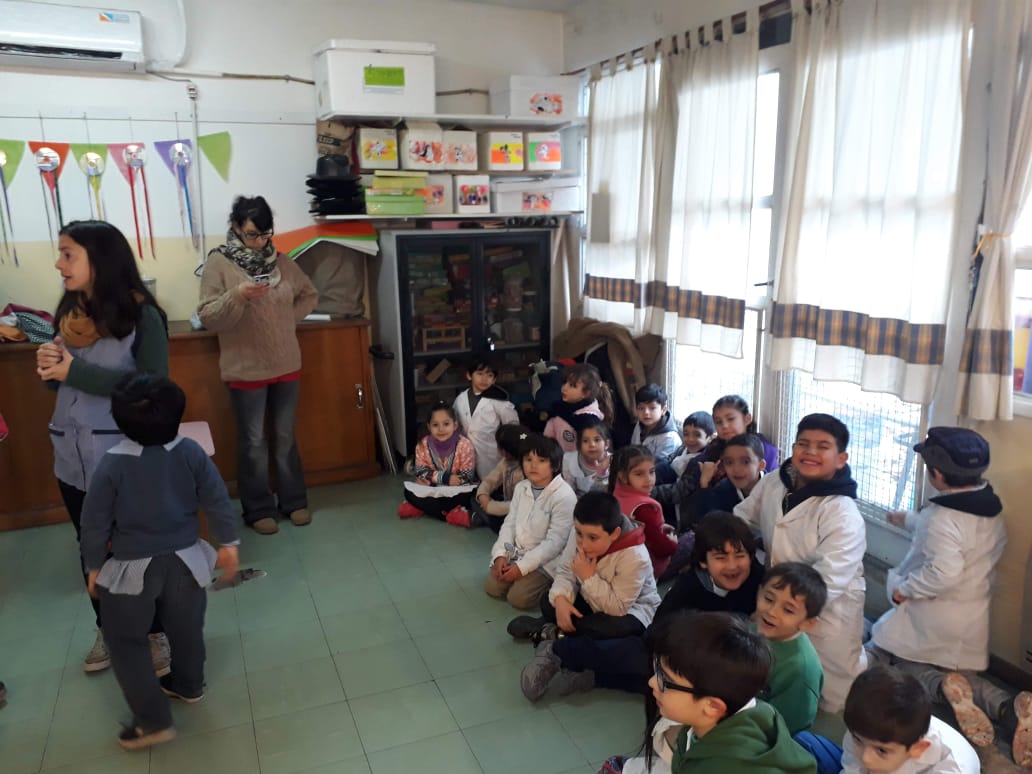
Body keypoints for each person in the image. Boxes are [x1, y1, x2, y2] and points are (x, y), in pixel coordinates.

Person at [35, 219, 170, 674]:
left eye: (68, 254)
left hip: (124, 456)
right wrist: (50, 367)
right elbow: (59, 386)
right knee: (91, 547)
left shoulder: (142, 316)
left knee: (137, 548)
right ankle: (108, 628)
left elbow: (153, 387)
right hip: (72, 457)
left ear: (100, 260)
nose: (59, 264)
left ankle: (154, 633)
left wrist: (73, 372)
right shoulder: (67, 313)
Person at [80, 373, 239, 751]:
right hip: (187, 562)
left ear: (119, 421)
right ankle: (189, 685)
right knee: (187, 630)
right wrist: (229, 544)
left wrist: (93, 566)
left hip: (132, 570)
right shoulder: (191, 451)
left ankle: (152, 722)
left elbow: (93, 523)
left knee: (126, 642)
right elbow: (217, 498)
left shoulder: (111, 464)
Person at [866, 427, 1032, 766]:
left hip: (934, 611)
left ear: (937, 475)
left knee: (896, 658)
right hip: (971, 614)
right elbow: (956, 534)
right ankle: (1007, 707)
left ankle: (940, 687)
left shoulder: (940, 519)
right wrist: (909, 520)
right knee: (967, 679)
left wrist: (905, 589)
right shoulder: (990, 508)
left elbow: (943, 570)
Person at [527, 512, 765, 704]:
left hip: (713, 660)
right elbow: (657, 633)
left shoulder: (759, 581)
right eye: (721, 558)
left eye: (740, 555)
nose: (733, 566)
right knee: (639, 660)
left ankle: (593, 677)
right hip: (671, 647)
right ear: (703, 561)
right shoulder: (689, 588)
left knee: (681, 691)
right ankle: (559, 650)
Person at [197, 195, 318, 535]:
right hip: (245, 367)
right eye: (252, 234)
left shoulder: (281, 261)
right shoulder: (219, 263)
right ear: (236, 227)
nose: (260, 242)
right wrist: (237, 295)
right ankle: (258, 509)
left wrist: (287, 321)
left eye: (265, 234)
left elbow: (309, 294)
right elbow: (207, 316)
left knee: (285, 436)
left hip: (286, 363)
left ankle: (294, 501)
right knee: (253, 442)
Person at [734, 413, 867, 713]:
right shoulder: (774, 483)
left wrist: (786, 609)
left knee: (835, 699)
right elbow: (743, 517)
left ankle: (871, 658)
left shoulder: (842, 512)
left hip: (826, 609)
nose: (810, 452)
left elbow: (830, 577)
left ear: (841, 459)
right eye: (803, 444)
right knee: (781, 673)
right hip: (781, 602)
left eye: (823, 446)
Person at [603, 611, 816, 774]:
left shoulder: (722, 765)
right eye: (656, 670)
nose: (652, 683)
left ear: (713, 706)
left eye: (666, 680)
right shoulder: (754, 710)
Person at [516, 491, 661, 700]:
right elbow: (565, 571)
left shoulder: (635, 556)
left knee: (608, 628)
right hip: (591, 597)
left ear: (614, 534)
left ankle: (556, 639)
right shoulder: (581, 533)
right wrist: (561, 601)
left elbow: (617, 608)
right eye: (579, 534)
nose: (583, 543)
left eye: (593, 537)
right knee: (549, 602)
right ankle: (557, 630)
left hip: (630, 612)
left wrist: (588, 576)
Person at [654, 395, 779, 533]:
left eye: (730, 419)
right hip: (708, 512)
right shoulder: (714, 449)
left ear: (747, 419)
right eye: (719, 422)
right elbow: (688, 483)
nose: (724, 426)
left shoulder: (760, 449)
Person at [486, 434, 575, 609]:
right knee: (493, 588)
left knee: (518, 599)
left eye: (541, 460)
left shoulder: (564, 496)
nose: (533, 465)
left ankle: (550, 585)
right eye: (528, 459)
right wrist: (500, 555)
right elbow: (509, 524)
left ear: (555, 465)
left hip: (547, 561)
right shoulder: (521, 488)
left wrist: (522, 568)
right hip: (518, 552)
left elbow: (555, 543)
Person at [840, 666, 980, 774]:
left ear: (918, 748)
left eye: (881, 751)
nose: (865, 758)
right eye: (857, 740)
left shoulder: (952, 768)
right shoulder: (865, 731)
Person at [753, 562, 826, 736]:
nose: (772, 612)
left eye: (788, 610)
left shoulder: (801, 671)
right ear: (759, 592)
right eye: (768, 599)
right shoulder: (755, 627)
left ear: (808, 623)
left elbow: (786, 728)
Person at [398, 402, 478, 525]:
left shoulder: (465, 445)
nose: (441, 429)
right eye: (435, 425)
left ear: (455, 425)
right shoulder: (422, 445)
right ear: (429, 427)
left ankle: (428, 509)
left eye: (446, 424)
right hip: (432, 487)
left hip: (456, 490)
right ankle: (447, 512)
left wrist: (436, 478)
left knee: (471, 495)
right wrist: (444, 478)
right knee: (408, 492)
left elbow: (467, 476)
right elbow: (420, 471)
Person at [610, 446, 677, 578]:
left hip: (621, 564)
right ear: (623, 477)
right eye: (639, 474)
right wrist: (673, 543)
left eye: (652, 472)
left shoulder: (616, 493)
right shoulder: (644, 508)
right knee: (691, 540)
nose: (648, 479)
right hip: (647, 569)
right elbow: (663, 549)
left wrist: (658, 527)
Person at [453, 355, 518, 481]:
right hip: (465, 455)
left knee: (491, 485)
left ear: (494, 379)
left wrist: (508, 447)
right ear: (469, 375)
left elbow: (513, 427)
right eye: (480, 374)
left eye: (489, 375)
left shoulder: (499, 401)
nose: (484, 379)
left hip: (491, 455)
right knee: (467, 485)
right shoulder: (460, 399)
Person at [543, 362, 615, 453]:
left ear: (586, 393)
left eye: (572, 386)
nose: (564, 388)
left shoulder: (589, 421)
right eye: (565, 382)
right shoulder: (558, 408)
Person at [694, 433, 766, 518]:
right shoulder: (722, 491)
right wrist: (704, 484)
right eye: (729, 462)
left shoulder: (774, 488)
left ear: (761, 465)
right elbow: (708, 520)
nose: (736, 469)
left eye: (745, 462)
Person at [472, 424, 528, 532]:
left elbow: (521, 505)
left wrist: (490, 507)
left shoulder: (527, 470)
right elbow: (490, 480)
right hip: (507, 503)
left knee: (499, 523)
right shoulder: (505, 462)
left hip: (520, 512)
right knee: (475, 495)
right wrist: (483, 496)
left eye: (498, 446)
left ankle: (484, 518)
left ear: (506, 451)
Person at [561, 417, 612, 496]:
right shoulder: (569, 459)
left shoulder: (613, 462)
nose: (592, 445)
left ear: (606, 444)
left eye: (597, 440)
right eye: (585, 441)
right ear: (579, 445)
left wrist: (601, 473)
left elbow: (607, 494)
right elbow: (568, 491)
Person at [629, 384, 682, 460]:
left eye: (652, 408)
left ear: (663, 410)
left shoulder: (670, 438)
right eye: (641, 408)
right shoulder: (640, 424)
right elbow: (632, 448)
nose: (646, 412)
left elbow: (660, 464)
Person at [665, 411, 716, 483]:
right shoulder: (683, 449)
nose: (690, 439)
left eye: (697, 435)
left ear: (710, 438)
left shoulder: (703, 461)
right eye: (686, 434)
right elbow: (668, 459)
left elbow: (684, 487)